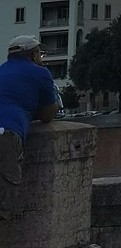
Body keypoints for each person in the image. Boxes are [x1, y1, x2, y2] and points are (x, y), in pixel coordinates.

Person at [0, 35, 59, 219]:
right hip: (7, 133)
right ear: (33, 55)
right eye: (40, 54)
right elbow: (48, 114)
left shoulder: (1, 71)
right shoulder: (40, 73)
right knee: (5, 197)